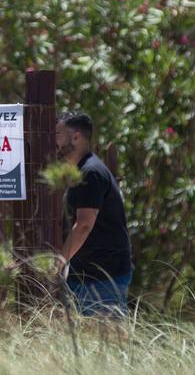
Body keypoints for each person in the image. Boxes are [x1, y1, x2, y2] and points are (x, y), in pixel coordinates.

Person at [55, 112, 133, 317]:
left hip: (104, 277)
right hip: (85, 275)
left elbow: (84, 225)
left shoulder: (91, 172)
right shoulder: (81, 170)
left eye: (58, 133)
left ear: (76, 137)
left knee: (107, 343)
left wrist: (59, 262)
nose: (54, 139)